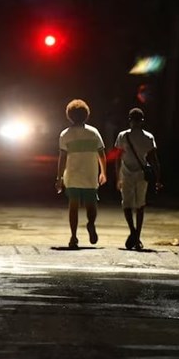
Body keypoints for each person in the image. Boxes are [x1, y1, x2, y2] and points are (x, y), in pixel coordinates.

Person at [55, 99, 108, 249]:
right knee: (91, 206)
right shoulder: (93, 132)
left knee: (73, 207)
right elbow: (101, 154)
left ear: (69, 116)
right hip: (90, 175)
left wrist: (59, 178)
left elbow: (62, 158)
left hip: (72, 176)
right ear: (86, 115)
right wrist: (103, 172)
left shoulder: (65, 134)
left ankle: (73, 237)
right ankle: (91, 223)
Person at [114, 107, 161, 250]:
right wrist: (158, 178)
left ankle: (133, 232)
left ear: (129, 120)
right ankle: (137, 236)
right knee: (140, 205)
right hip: (142, 174)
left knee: (127, 204)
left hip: (126, 173)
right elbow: (154, 160)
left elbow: (117, 157)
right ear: (142, 121)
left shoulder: (122, 136)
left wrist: (117, 176)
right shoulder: (149, 137)